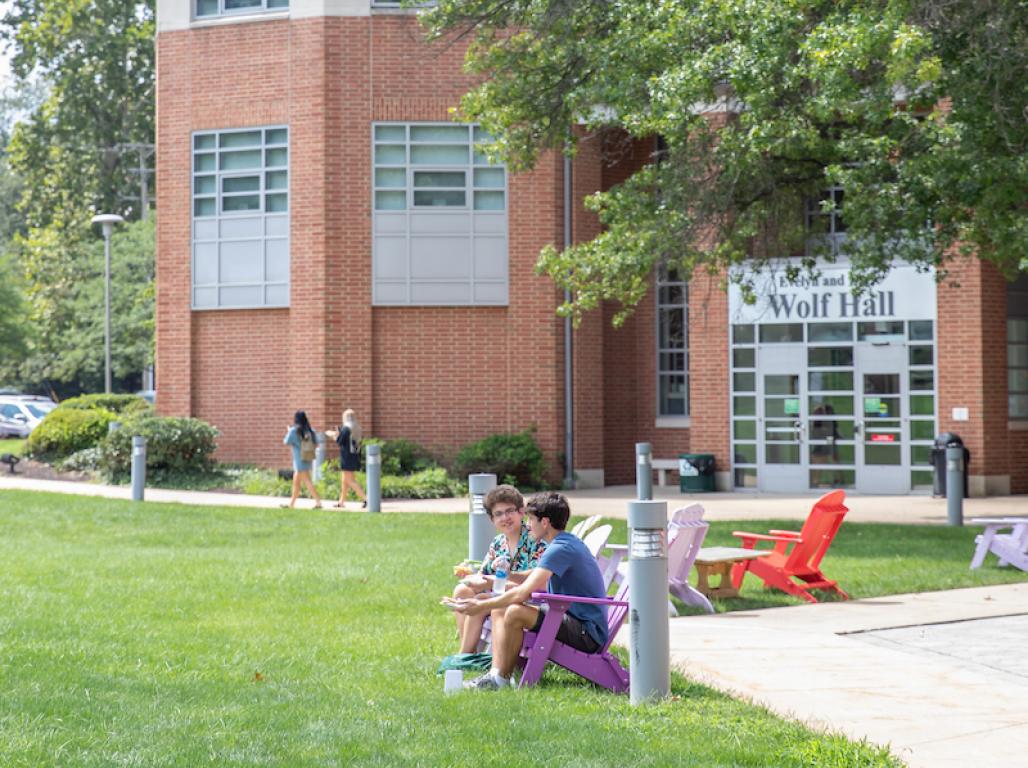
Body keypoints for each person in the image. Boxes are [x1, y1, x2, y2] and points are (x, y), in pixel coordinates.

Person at [454, 492, 608, 691]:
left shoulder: (560, 549)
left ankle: (500, 679)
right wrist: (510, 574)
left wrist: (480, 605)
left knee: (515, 610)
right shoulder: (563, 543)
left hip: (587, 633)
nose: (528, 524)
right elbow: (534, 575)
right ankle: (496, 676)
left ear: (544, 522)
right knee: (503, 608)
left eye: (531, 519)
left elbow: (522, 593)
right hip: (575, 621)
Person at [450, 485, 547, 654]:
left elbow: (537, 582)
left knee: (480, 600)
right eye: (498, 514)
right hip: (500, 593)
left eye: (509, 511)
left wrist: (491, 583)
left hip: (528, 599)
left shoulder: (535, 540)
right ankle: (470, 653)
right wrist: (470, 575)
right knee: (462, 591)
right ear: (492, 519)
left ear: (521, 512)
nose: (505, 518)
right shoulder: (498, 543)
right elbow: (483, 574)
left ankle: (464, 656)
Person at [326, 409, 366, 509]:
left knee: (350, 480)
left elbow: (340, 442)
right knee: (345, 480)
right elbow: (348, 440)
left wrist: (332, 435)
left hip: (347, 456)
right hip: (354, 455)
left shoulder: (346, 428)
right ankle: (341, 502)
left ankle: (366, 499)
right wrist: (338, 433)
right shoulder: (357, 427)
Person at [282, 410, 322, 509]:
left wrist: (289, 431)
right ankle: (291, 504)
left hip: (299, 460)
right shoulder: (311, 430)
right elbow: (316, 444)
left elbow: (286, 442)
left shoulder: (293, 431)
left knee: (307, 481)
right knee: (296, 483)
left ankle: (318, 502)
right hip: (307, 458)